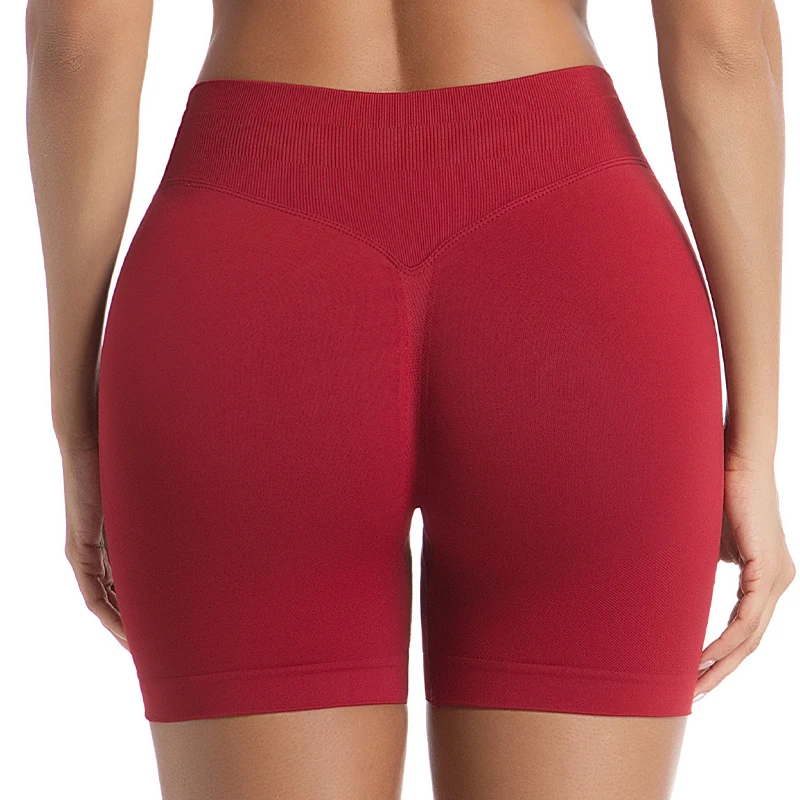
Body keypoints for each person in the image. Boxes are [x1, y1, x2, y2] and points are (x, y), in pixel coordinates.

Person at [25, 0, 795, 798]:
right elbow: (725, 45)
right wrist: (754, 443)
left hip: (246, 278)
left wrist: (75, 427)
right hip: (577, 277)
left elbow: (79, 44)